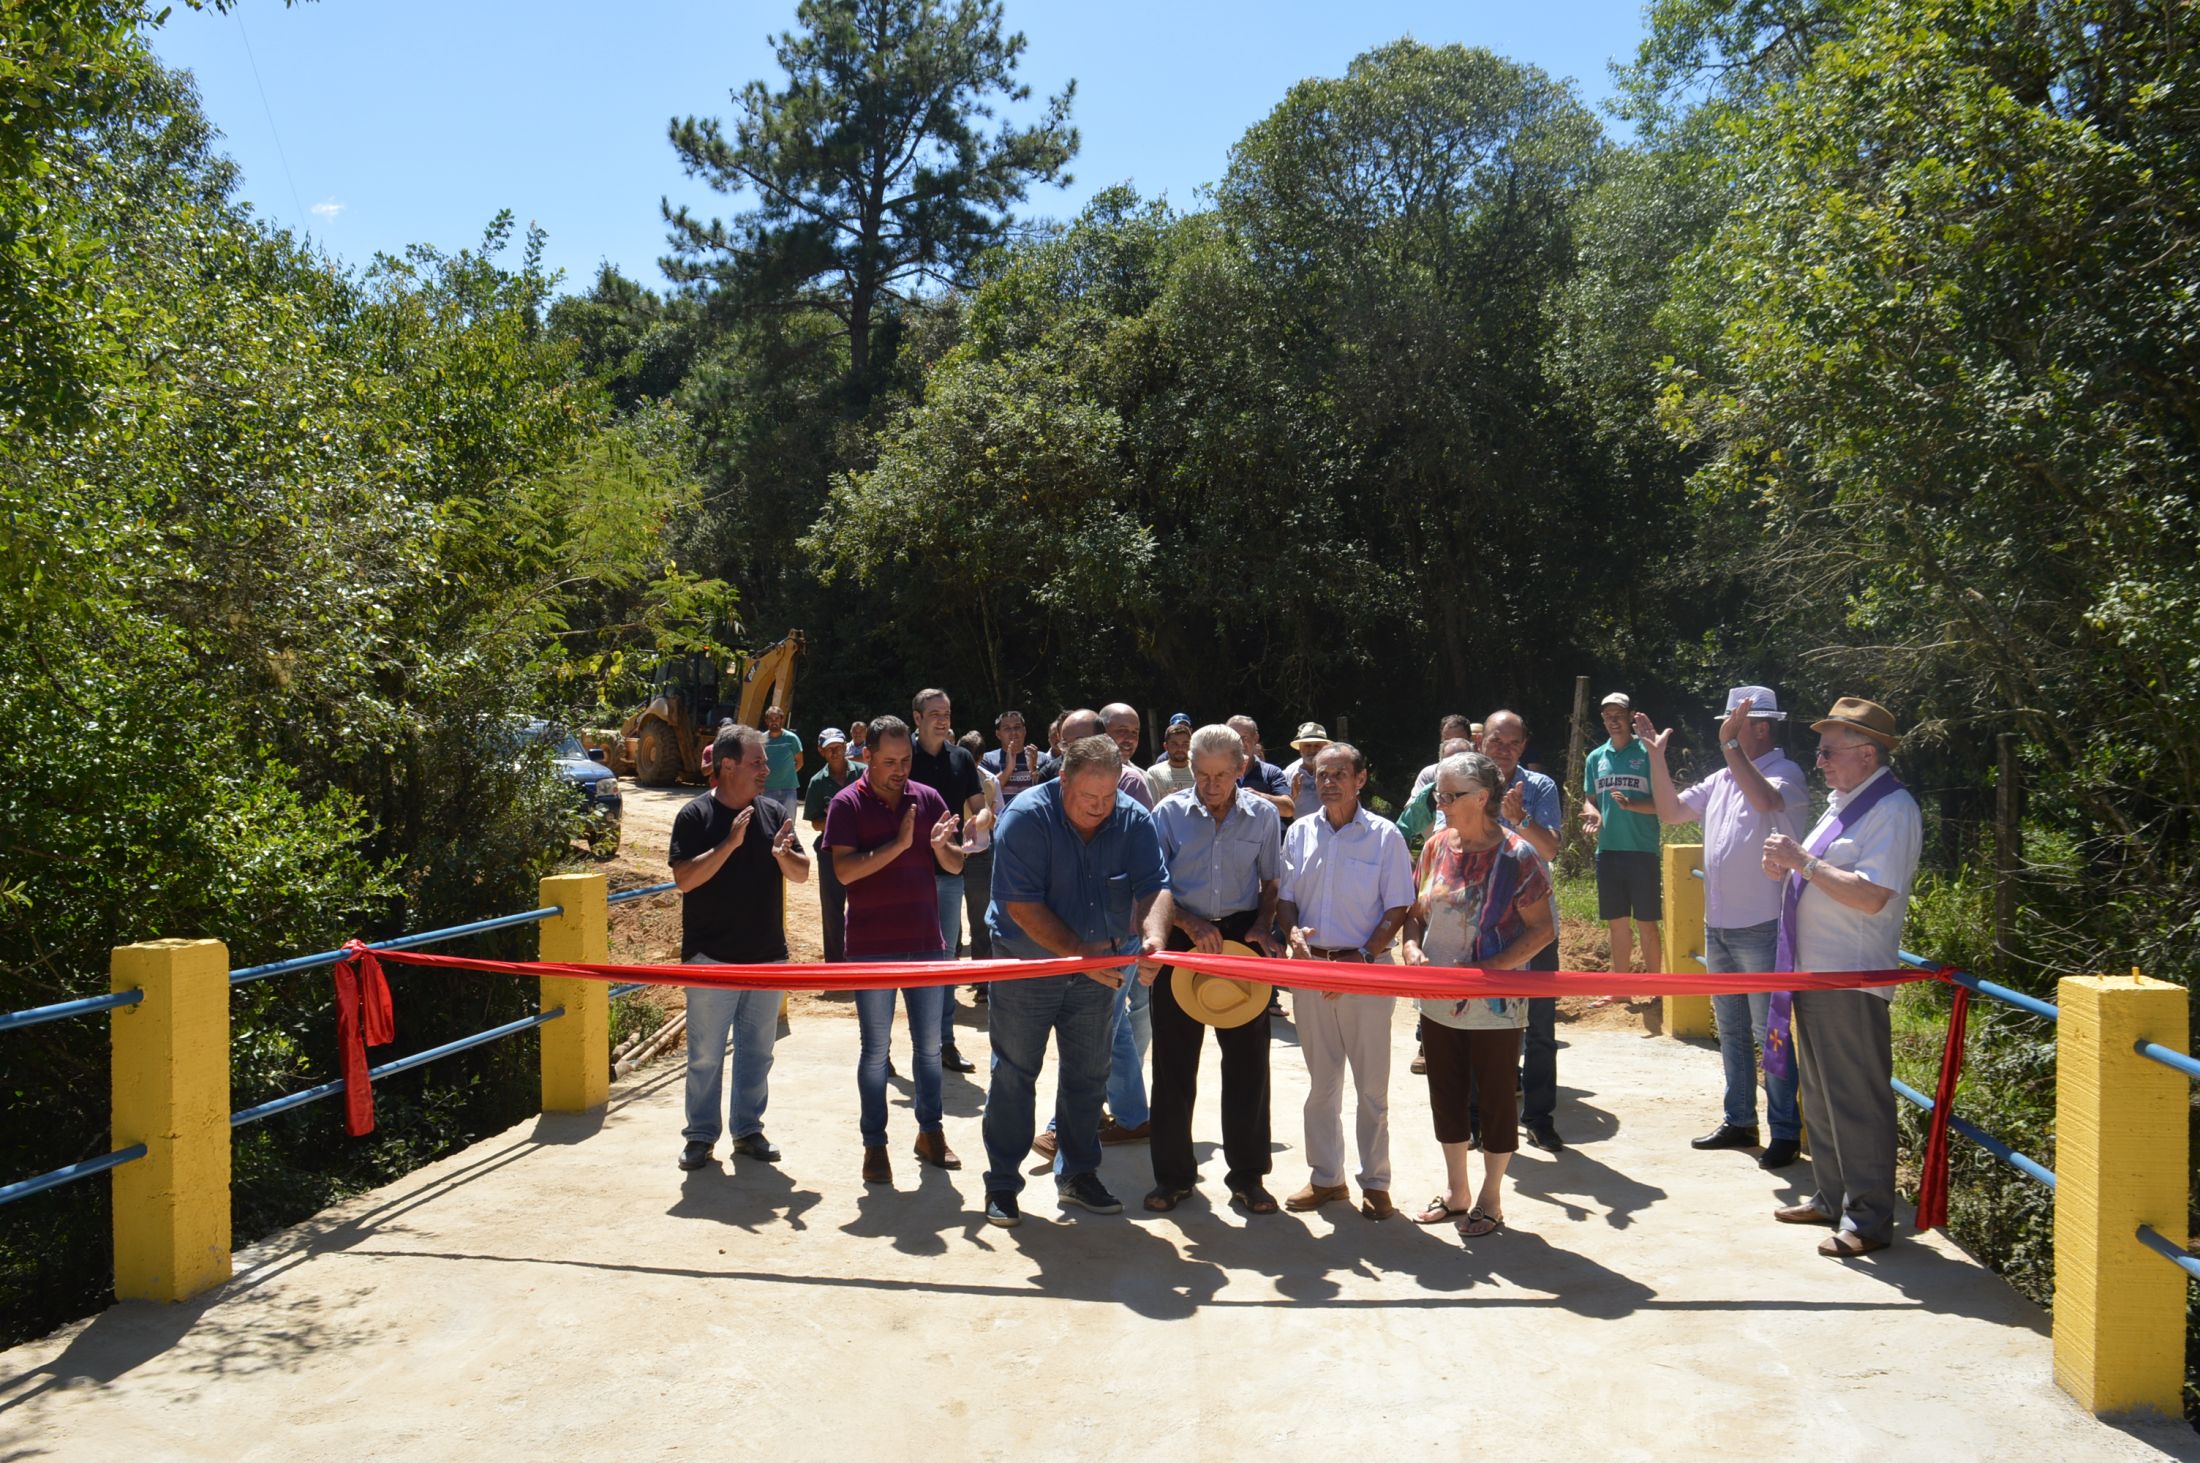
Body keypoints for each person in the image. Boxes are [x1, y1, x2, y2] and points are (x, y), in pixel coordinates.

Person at [980, 735, 1169, 1227]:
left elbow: (1155, 886)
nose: (1100, 807)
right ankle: (1003, 1182)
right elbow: (1020, 906)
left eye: (1109, 796)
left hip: (1099, 970)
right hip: (1027, 967)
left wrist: (1154, 938)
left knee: (1088, 1073)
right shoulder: (1025, 817)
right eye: (1089, 796)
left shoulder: (1133, 818)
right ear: (1063, 779)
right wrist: (1080, 955)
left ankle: (1079, 1174)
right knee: (1014, 1073)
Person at [1763, 697, 1920, 1258]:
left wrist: (1802, 863)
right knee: (1822, 1095)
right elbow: (1819, 873)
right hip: (1814, 974)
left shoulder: (1892, 809)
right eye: (1821, 751)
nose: (1820, 761)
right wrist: (1787, 867)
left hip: (1850, 979)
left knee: (1856, 1100)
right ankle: (1832, 1197)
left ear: (1866, 754)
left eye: (1829, 752)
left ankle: (1870, 1219)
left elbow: (1872, 895)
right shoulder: (1844, 804)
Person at [1637, 687, 1810, 1169]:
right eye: (1727, 726)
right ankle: (1740, 1119)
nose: (1727, 734)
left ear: (1761, 727)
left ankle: (1784, 1130)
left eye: (1736, 725)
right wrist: (1656, 759)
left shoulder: (1785, 773)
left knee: (1769, 1031)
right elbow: (1671, 813)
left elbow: (1766, 800)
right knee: (1731, 1030)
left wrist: (1730, 747)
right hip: (1720, 926)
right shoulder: (1723, 776)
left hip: (1762, 926)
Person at [1401, 751, 1554, 1239]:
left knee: (1495, 1098)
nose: (1440, 803)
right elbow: (1415, 913)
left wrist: (1487, 972)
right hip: (1437, 999)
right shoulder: (1434, 847)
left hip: (1495, 1003)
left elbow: (1543, 930)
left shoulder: (1518, 856)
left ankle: (1491, 1198)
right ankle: (1456, 1191)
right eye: (1438, 795)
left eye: (1450, 796)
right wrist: (1410, 947)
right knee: (1445, 1094)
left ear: (1482, 797)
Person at [1139, 724, 1287, 1214]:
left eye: (1221, 775)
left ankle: (1248, 1176)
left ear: (1241, 769)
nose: (1210, 785)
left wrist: (1263, 926)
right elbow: (1154, 885)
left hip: (1243, 937)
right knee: (1173, 1064)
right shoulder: (1168, 814)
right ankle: (1173, 1177)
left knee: (1248, 1064)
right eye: (1201, 775)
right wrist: (1185, 921)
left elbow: (1271, 884)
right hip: (1181, 935)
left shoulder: (1264, 815)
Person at [826, 716, 966, 1185]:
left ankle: (931, 1133)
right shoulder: (846, 803)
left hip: (926, 943)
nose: (900, 770)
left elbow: (954, 863)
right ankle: (875, 1145)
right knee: (875, 1052)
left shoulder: (927, 798)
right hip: (871, 949)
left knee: (929, 1049)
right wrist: (900, 843)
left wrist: (943, 849)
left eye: (905, 760)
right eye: (889, 762)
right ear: (866, 756)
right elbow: (845, 872)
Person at [1279, 741, 1415, 1220]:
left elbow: (1399, 906)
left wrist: (1364, 956)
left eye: (1339, 774)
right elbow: (1287, 899)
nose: (1329, 782)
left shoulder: (1385, 836)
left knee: (1371, 1088)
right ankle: (1326, 1179)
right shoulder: (1299, 833)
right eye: (1321, 774)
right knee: (1321, 1085)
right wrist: (1291, 931)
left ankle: (1375, 1183)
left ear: (1360, 779)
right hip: (1312, 971)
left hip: (1367, 974)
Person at [669, 724, 810, 1172]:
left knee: (758, 1052)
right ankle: (700, 1136)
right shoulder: (694, 816)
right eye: (757, 762)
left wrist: (784, 855)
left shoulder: (773, 813)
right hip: (710, 959)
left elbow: (802, 873)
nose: (767, 770)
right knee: (705, 1055)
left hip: (767, 957)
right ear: (728, 766)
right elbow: (684, 879)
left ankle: (748, 1130)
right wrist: (729, 844)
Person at [1479, 709, 1567, 1152]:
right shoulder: (1465, 781)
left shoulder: (1541, 787)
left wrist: (1520, 819)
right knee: (1481, 1024)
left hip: (1535, 925)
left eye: (1514, 743)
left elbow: (1549, 849)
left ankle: (1538, 1117)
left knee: (1541, 1028)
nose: (1505, 750)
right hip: (1482, 924)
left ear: (1524, 747)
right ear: (1482, 741)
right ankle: (1479, 1118)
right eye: (1497, 741)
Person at [908, 688, 989, 1072]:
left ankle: (944, 1043)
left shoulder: (961, 759)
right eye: (935, 713)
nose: (943, 720)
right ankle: (882, 1048)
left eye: (947, 713)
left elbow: (981, 807)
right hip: (905, 874)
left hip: (949, 872)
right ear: (917, 718)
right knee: (900, 958)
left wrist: (979, 822)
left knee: (945, 961)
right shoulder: (903, 756)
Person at [1582, 692, 1662, 975]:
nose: (1613, 721)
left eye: (1619, 715)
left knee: (1646, 924)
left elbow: (1664, 803)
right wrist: (1592, 812)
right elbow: (1590, 799)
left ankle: (1656, 989)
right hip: (1607, 851)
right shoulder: (1596, 758)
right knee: (1617, 925)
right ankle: (1621, 990)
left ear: (1630, 716)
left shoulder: (1648, 752)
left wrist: (1632, 805)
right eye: (1608, 716)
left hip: (1642, 850)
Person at [803, 728, 864, 964]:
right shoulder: (817, 782)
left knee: (864, 903)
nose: (835, 752)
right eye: (829, 749)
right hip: (830, 850)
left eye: (838, 747)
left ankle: (864, 956)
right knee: (832, 906)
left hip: (863, 847)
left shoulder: (863, 773)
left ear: (845, 746)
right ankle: (835, 962)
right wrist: (833, 817)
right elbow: (815, 823)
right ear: (821, 752)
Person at [957, 729, 1004, 964]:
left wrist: (985, 817)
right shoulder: (949, 775)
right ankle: (949, 973)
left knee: (980, 924)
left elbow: (999, 820)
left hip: (978, 857)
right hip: (952, 855)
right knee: (950, 922)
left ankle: (981, 976)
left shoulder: (989, 781)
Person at [1227, 715, 1295, 819]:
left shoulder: (1271, 772)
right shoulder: (1217, 772)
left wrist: (1257, 797)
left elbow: (1288, 809)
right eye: (1233, 738)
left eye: (1244, 738)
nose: (1239, 743)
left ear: (1256, 738)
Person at [1098, 703, 1156, 810]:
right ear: (1101, 732)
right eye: (1122, 731)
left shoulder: (1147, 780)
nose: (1130, 739)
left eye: (1135, 732)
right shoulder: (1083, 775)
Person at [983, 709, 1046, 804]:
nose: (1013, 732)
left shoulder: (1040, 758)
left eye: (1017, 727)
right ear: (998, 734)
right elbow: (986, 794)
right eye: (1007, 728)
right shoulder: (988, 760)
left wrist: (1034, 770)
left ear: (1024, 731)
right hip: (1003, 813)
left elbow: (1048, 793)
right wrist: (1008, 769)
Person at [1412, 714, 1476, 793]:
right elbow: (1416, 801)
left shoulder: (1482, 773)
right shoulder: (1429, 775)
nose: (1452, 745)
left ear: (1470, 741)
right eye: (1447, 741)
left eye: (1458, 740)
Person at [1279, 722, 1330, 819]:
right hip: (1302, 827)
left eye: (1317, 745)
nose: (1312, 750)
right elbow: (1282, 810)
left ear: (1325, 747)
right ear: (1300, 747)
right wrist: (1291, 797)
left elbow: (1352, 799)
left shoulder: (1336, 770)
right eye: (1307, 745)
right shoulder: (1289, 773)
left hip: (1336, 826)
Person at [761, 705, 804, 817]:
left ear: (782, 719)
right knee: (767, 823)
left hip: (788, 789)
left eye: (777, 718)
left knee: (788, 823)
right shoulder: (761, 740)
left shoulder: (792, 738)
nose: (774, 721)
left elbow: (800, 762)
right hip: (767, 789)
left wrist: (786, 773)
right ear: (766, 721)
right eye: (771, 719)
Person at [1145, 713, 1196, 800]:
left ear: (1191, 745)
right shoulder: (1153, 773)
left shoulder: (1200, 770)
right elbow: (1151, 805)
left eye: (1185, 744)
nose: (1180, 748)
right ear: (1166, 746)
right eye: (1174, 744)